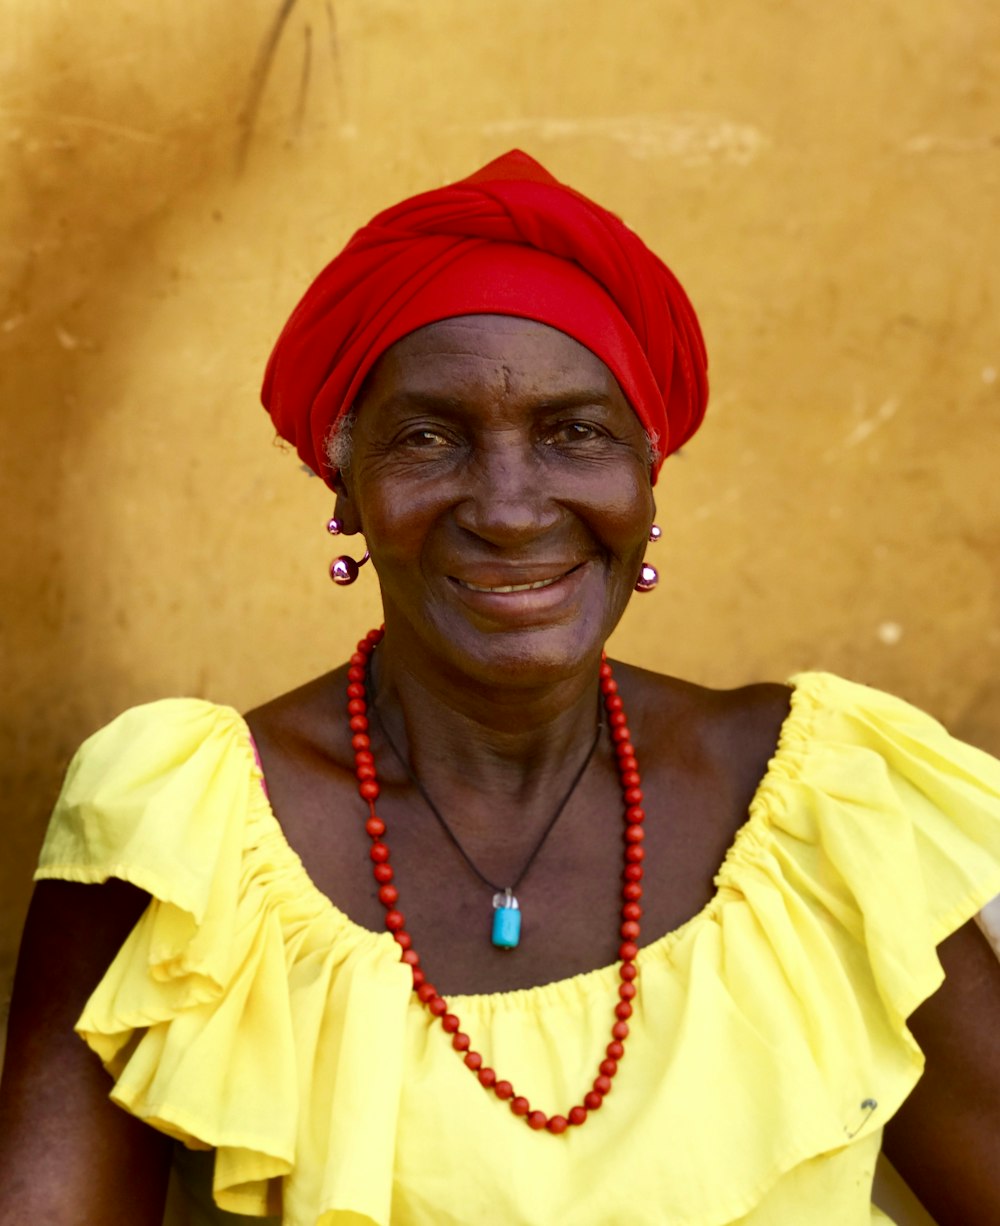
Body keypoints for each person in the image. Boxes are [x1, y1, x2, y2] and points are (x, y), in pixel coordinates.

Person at [1, 150, 999, 1226]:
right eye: (429, 437)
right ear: (346, 485)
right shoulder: (186, 839)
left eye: (575, 432)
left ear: (645, 475)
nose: (511, 507)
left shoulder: (825, 804)